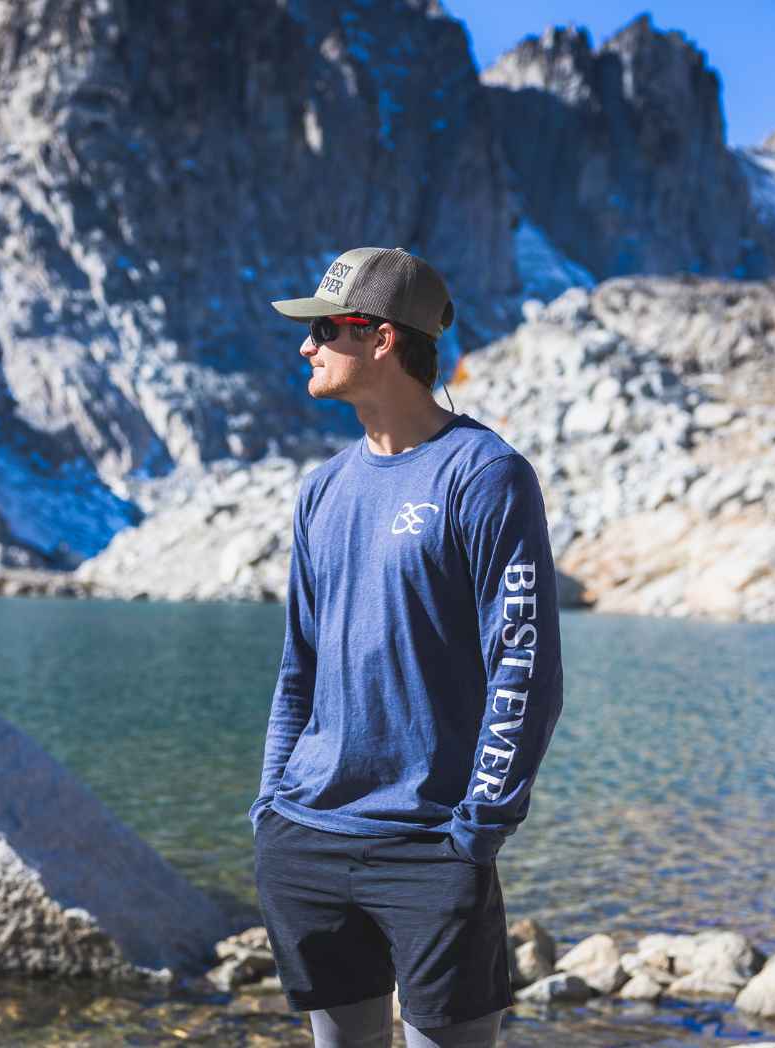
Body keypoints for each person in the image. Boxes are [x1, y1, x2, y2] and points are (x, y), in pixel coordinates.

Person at [249, 246, 565, 1048]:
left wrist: (477, 832)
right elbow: (299, 670)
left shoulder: (485, 474)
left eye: (324, 329)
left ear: (382, 338)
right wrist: (271, 810)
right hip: (308, 841)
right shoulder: (323, 488)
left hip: (431, 851)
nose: (305, 346)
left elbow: (524, 668)